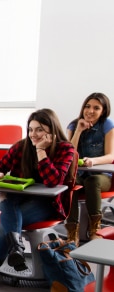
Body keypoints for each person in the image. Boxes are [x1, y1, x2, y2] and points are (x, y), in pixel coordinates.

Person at [0, 109, 75, 287]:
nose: (33, 134)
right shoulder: (21, 146)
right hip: (18, 201)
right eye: (30, 129)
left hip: (48, 204)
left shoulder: (65, 148)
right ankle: (16, 249)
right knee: (6, 198)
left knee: (7, 223)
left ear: (52, 130)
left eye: (39, 130)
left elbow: (53, 181)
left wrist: (41, 151)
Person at [64, 92, 114, 244]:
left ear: (103, 111)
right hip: (79, 175)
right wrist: (79, 131)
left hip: (102, 176)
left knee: (92, 181)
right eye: (87, 106)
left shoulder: (107, 125)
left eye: (96, 108)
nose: (90, 111)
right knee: (69, 182)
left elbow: (111, 156)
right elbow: (68, 154)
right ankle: (72, 233)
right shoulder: (73, 125)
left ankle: (95, 229)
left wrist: (93, 160)